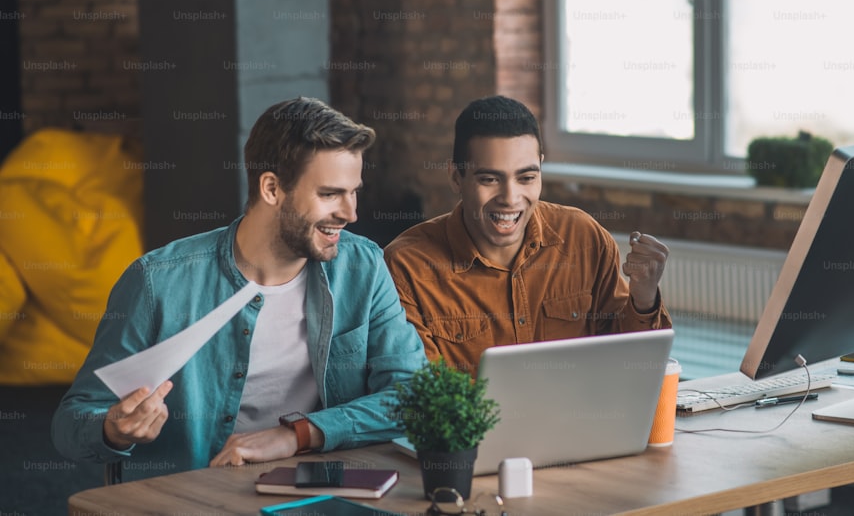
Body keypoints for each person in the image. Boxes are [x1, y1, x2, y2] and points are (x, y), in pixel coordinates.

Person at [51, 97, 426, 481]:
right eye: (330, 194)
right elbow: (71, 423)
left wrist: (298, 435)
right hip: (191, 498)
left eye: (354, 191)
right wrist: (112, 429)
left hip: (319, 489)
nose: (351, 213)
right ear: (271, 188)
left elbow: (414, 399)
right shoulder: (155, 282)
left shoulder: (363, 266)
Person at [384, 95, 672, 373]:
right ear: (456, 177)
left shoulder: (584, 238)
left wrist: (644, 298)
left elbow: (633, 363)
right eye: (489, 179)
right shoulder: (407, 266)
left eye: (526, 178)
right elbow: (424, 396)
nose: (510, 198)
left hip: (583, 419)